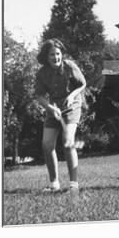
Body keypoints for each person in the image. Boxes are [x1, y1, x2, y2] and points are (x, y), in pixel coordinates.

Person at [34, 38, 86, 192]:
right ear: (46, 56)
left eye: (58, 54)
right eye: (52, 55)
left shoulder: (70, 67)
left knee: (67, 141)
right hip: (54, 109)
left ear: (61, 54)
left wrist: (71, 96)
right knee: (47, 144)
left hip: (72, 106)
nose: (56, 57)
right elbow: (39, 96)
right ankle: (54, 185)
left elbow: (83, 83)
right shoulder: (42, 73)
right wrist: (50, 108)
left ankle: (73, 185)